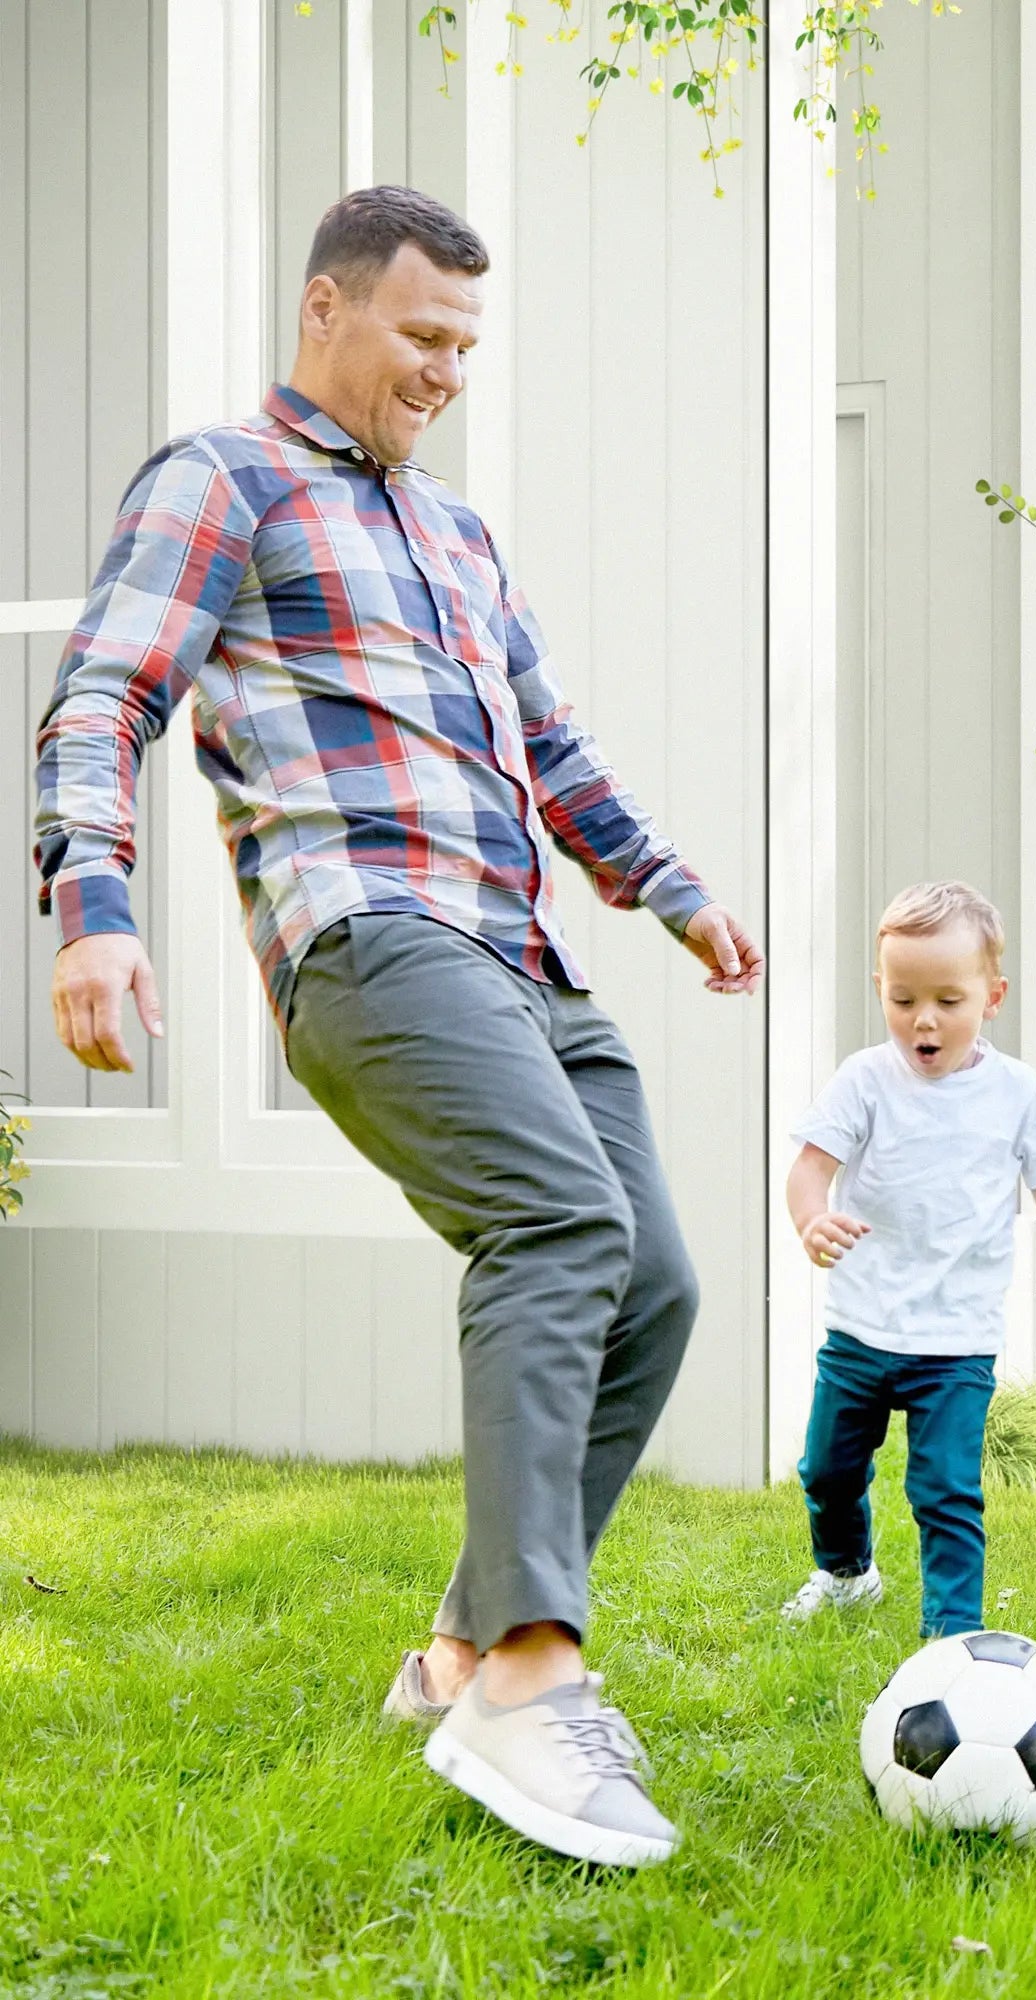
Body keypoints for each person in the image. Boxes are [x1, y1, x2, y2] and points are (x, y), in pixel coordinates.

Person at [33, 185, 761, 1869]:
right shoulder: (223, 481)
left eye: (465, 349)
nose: (445, 372)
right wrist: (94, 916)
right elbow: (102, 698)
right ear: (327, 309)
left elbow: (550, 745)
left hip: (524, 954)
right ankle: (527, 1679)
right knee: (557, 1224)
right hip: (371, 937)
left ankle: (450, 1657)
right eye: (423, 336)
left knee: (650, 1282)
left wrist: (668, 887)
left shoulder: (460, 537)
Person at [781, 882, 1036, 1638]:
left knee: (946, 1490)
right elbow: (809, 1169)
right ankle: (845, 1574)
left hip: (956, 1341)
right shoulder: (865, 1079)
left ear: (992, 997)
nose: (923, 1020)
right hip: (861, 1328)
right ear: (880, 990)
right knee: (826, 1472)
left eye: (947, 1001)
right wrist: (812, 1220)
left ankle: (953, 1636)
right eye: (903, 1000)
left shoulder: (1017, 1092)